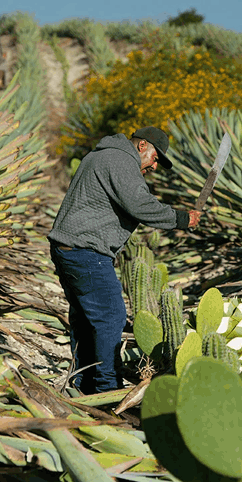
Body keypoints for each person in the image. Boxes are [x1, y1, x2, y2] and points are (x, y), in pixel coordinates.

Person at [49, 127, 202, 394]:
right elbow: (140, 205)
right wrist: (182, 219)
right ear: (142, 145)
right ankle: (108, 389)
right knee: (111, 317)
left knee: (85, 319)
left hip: (67, 248)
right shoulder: (120, 160)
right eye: (155, 158)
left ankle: (82, 384)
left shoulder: (101, 156)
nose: (154, 166)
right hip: (86, 251)